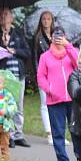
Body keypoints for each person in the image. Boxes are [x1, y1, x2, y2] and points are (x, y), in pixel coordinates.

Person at [37, 26, 79, 161]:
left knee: (76, 130)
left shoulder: (71, 52)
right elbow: (40, 77)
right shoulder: (45, 57)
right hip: (54, 101)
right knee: (58, 132)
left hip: (73, 98)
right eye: (55, 35)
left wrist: (68, 45)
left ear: (65, 36)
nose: (58, 38)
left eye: (61, 35)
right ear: (51, 38)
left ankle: (80, 157)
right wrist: (50, 90)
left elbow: (79, 64)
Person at [0, 7, 31, 148]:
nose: (3, 17)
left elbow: (27, 52)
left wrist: (15, 51)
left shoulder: (18, 33)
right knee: (6, 106)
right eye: (1, 15)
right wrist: (3, 46)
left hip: (18, 75)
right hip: (3, 76)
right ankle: (9, 135)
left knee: (18, 106)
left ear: (12, 18)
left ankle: (18, 134)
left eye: (6, 14)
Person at [32, 10, 55, 144]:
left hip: (56, 74)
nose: (46, 21)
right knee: (45, 103)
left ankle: (58, 133)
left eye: (48, 19)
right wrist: (38, 75)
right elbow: (34, 57)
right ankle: (49, 133)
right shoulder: (37, 37)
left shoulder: (57, 35)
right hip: (44, 73)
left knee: (57, 104)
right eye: (44, 19)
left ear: (52, 21)